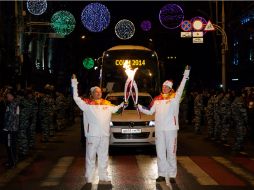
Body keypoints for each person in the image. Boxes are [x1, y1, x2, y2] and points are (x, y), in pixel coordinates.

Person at [138, 66, 190, 183]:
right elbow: (150, 110)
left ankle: (171, 174)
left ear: (170, 88)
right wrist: (139, 107)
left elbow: (182, 87)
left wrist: (186, 74)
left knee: (171, 152)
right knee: (160, 152)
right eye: (163, 86)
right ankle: (161, 173)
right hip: (159, 129)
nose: (164, 88)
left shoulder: (175, 98)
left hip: (171, 129)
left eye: (167, 87)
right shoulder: (157, 99)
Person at [71, 74, 124, 184]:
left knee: (104, 156)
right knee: (90, 157)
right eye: (96, 91)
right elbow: (75, 98)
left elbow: (117, 110)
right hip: (92, 135)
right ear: (92, 94)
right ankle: (89, 176)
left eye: (100, 91)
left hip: (104, 135)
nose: (98, 93)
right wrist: (74, 82)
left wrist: (124, 104)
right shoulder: (86, 104)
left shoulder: (107, 104)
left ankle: (103, 175)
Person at [2, 90, 20, 168]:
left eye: (9, 95)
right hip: (14, 128)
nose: (7, 97)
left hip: (10, 129)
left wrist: (6, 127)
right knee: (13, 146)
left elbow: (11, 117)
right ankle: (13, 160)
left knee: (10, 146)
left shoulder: (12, 105)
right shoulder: (15, 104)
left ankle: (12, 163)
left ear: (12, 96)